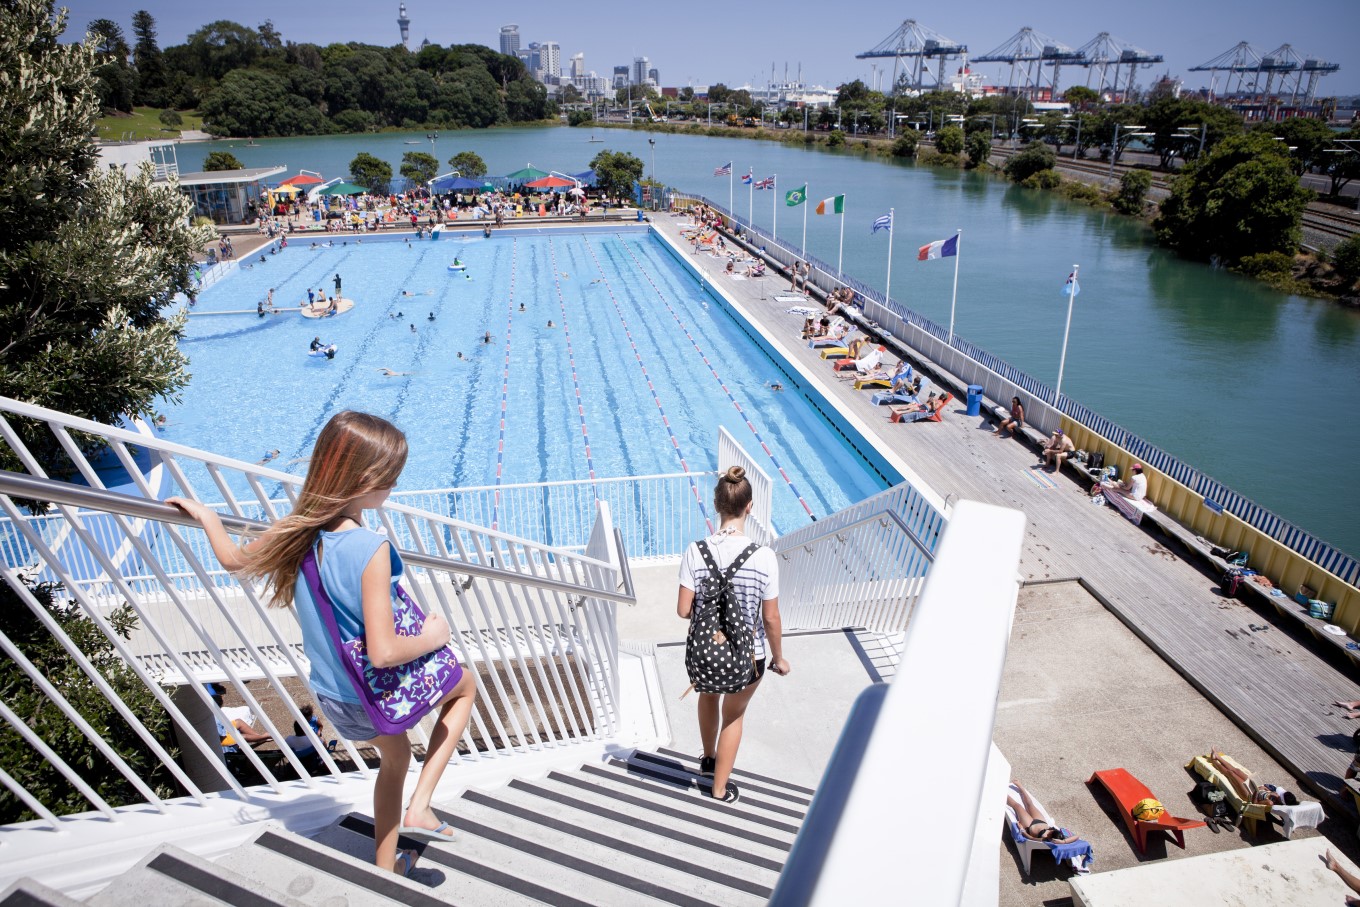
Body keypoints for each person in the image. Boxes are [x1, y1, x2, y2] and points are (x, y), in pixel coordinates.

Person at [168, 412, 477, 879]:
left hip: (334, 698)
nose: (393, 487)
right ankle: (420, 808)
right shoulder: (370, 548)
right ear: (369, 480)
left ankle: (386, 864)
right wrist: (433, 636)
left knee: (395, 757)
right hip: (372, 693)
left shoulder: (297, 529)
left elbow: (233, 560)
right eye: (391, 479)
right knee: (466, 685)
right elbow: (384, 653)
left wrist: (209, 517)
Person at [676, 467, 789, 804]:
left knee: (708, 696)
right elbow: (770, 618)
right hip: (748, 655)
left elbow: (684, 610)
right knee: (734, 715)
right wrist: (779, 658)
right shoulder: (765, 556)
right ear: (749, 507)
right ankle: (719, 789)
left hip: (706, 652)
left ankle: (708, 759)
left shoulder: (695, 551)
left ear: (716, 505)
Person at [1207, 751, 1298, 805]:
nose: (1278, 795)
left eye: (1280, 796)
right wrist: (1264, 788)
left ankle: (1214, 761)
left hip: (1249, 795)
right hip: (1255, 788)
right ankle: (1217, 756)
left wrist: (1257, 793)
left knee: (1231, 774)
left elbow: (1255, 804)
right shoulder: (1276, 795)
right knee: (1237, 771)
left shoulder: (1270, 803)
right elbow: (1266, 789)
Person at [1007, 780, 1078, 844]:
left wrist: (1022, 829)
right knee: (1029, 804)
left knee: (1018, 806)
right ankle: (1020, 786)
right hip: (1041, 821)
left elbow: (1031, 838)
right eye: (1051, 831)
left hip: (1030, 826)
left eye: (1050, 833)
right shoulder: (1060, 836)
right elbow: (1077, 837)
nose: (1049, 832)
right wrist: (1063, 841)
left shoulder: (1046, 840)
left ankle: (1002, 793)